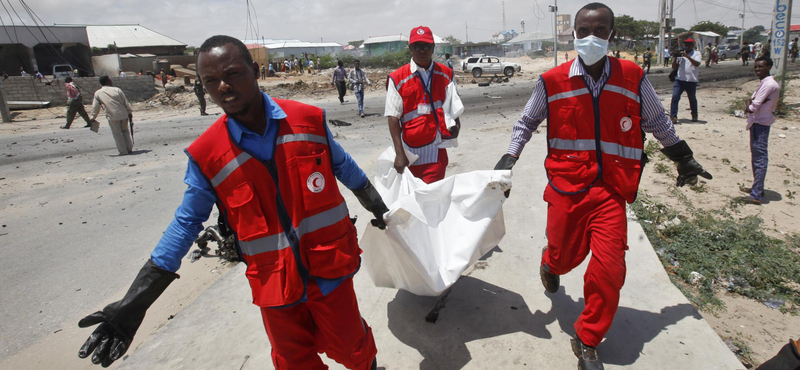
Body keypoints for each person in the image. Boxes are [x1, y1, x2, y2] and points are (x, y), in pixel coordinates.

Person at [76, 35, 387, 370]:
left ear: (254, 71)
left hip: (330, 271)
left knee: (354, 350)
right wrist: (138, 299)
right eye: (210, 80)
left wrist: (377, 206)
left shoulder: (307, 120)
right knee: (295, 362)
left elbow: (343, 166)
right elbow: (186, 222)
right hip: (274, 284)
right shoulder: (207, 155)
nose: (223, 86)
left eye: (232, 74)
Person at [494, 3, 711, 369]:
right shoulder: (552, 81)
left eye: (600, 30)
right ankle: (550, 263)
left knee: (610, 268)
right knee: (565, 256)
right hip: (567, 187)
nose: (591, 37)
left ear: (612, 35)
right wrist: (509, 159)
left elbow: (658, 120)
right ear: (573, 33)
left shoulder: (632, 76)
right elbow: (526, 122)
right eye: (584, 30)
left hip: (611, 188)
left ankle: (588, 336)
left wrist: (682, 156)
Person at [385, 26, 464, 184]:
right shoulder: (397, 78)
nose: (422, 50)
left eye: (427, 46)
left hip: (436, 151)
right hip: (409, 153)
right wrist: (399, 154)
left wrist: (457, 125)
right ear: (410, 48)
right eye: (417, 46)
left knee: (431, 199)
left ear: (433, 48)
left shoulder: (446, 74)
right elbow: (393, 117)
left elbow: (453, 105)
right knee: (411, 202)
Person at [743, 56, 780, 205]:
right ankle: (757, 188)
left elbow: (752, 107)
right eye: (756, 67)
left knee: (759, 158)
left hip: (760, 123)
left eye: (761, 67)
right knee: (757, 156)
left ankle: (757, 193)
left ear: (769, 67)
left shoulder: (768, 84)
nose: (757, 69)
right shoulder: (766, 83)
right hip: (758, 122)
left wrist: (747, 102)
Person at [89, 76, 134, 155]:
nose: (111, 81)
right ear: (107, 81)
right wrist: (129, 112)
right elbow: (126, 102)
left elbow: (96, 107)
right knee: (125, 131)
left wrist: (93, 117)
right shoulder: (117, 90)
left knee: (117, 134)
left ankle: (123, 151)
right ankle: (129, 148)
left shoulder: (98, 93)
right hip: (124, 114)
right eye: (110, 80)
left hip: (112, 116)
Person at [670, 38, 702, 123]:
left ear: (692, 45)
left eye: (689, 45)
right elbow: (673, 67)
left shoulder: (696, 54)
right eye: (685, 44)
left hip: (691, 80)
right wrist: (675, 57)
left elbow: (697, 64)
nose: (687, 46)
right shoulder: (680, 55)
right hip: (680, 80)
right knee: (675, 97)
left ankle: (694, 115)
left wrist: (687, 56)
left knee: (692, 98)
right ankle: (673, 116)